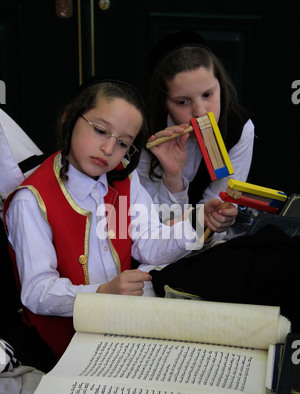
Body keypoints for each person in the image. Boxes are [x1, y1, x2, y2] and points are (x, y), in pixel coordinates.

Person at [3, 76, 234, 360]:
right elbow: (37, 291)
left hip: (126, 323)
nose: (109, 149)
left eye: (124, 143)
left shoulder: (123, 180)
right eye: (100, 130)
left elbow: (146, 243)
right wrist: (102, 292)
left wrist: (200, 222)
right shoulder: (32, 199)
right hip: (68, 345)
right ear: (69, 119)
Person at [137, 30, 254, 232]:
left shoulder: (238, 128)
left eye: (208, 94)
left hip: (206, 243)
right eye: (182, 102)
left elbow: (217, 206)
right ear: (163, 103)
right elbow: (150, 225)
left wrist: (217, 218)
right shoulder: (146, 129)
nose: (200, 112)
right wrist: (173, 179)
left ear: (222, 86)